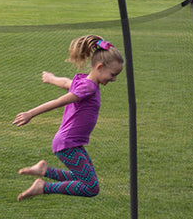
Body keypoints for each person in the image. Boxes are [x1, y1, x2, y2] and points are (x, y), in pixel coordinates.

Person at [11, 35, 123, 201]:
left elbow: (66, 82)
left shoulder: (86, 82)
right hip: (67, 144)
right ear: (100, 67)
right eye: (113, 74)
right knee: (91, 187)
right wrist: (30, 114)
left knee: (86, 179)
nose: (114, 79)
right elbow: (59, 102)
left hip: (72, 142)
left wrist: (51, 79)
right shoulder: (88, 88)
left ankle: (45, 170)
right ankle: (43, 187)